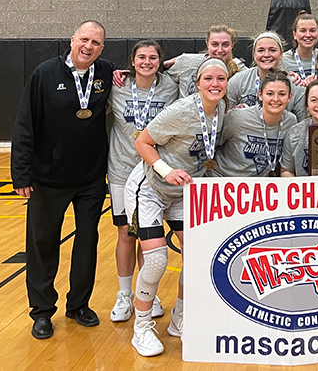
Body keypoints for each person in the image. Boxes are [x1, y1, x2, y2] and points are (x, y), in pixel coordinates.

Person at [11, 20, 112, 340]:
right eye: (84, 39)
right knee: (42, 245)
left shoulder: (107, 73)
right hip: (48, 178)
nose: (89, 47)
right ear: (72, 40)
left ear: (102, 48)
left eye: (96, 43)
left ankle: (79, 305)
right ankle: (41, 312)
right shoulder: (44, 73)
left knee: (87, 243)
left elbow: (147, 67)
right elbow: (25, 125)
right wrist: (21, 173)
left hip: (92, 178)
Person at [126, 58, 228, 357]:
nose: (215, 84)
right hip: (152, 189)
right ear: (197, 83)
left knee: (196, 258)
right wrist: (165, 170)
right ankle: (142, 327)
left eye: (220, 78)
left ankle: (180, 319)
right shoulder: (181, 111)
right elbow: (142, 142)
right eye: (208, 78)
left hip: (184, 193)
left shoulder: (220, 108)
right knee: (156, 260)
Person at [107, 40, 179, 324]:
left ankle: (147, 292)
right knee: (126, 233)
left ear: (160, 61)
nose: (147, 62)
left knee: (149, 236)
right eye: (141, 57)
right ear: (132, 61)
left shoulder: (171, 86)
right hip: (122, 170)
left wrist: (175, 62)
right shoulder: (117, 86)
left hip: (155, 172)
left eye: (153, 58)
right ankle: (125, 294)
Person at [213, 68, 297, 177]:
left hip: (256, 188)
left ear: (289, 97)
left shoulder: (290, 121)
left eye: (282, 94)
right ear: (260, 95)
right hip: (221, 180)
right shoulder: (238, 118)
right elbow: (212, 145)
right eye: (270, 94)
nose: (276, 99)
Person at [227, 31, 306, 120]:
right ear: (254, 55)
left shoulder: (296, 85)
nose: (266, 55)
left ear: (281, 54)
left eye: (272, 50)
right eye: (261, 50)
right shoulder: (238, 81)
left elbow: (302, 123)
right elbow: (226, 119)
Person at [162, 24, 246, 97]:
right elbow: (160, 80)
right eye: (215, 44)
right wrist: (163, 64)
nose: (220, 50)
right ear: (207, 44)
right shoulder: (187, 62)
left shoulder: (239, 69)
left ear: (232, 45)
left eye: (225, 45)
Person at [280, 11, 318, 80]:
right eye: (303, 31)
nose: (308, 35)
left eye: (312, 30)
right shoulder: (282, 60)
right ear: (294, 35)